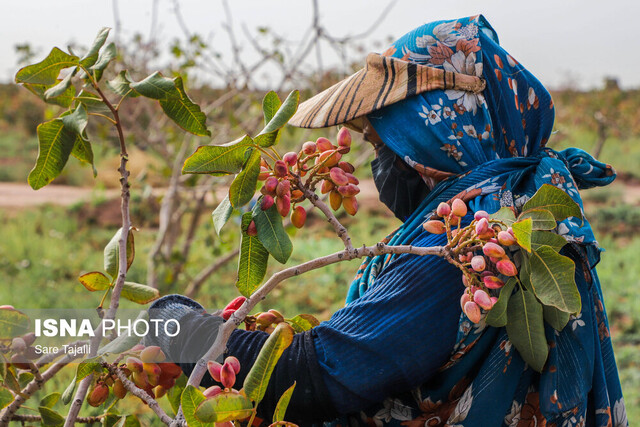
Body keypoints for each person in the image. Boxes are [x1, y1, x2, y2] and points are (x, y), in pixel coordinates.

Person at [148, 15, 627, 426]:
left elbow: (320, 374)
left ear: (433, 134)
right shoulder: (517, 209)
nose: (378, 165)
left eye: (383, 145)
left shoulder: (470, 245)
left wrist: (172, 325)